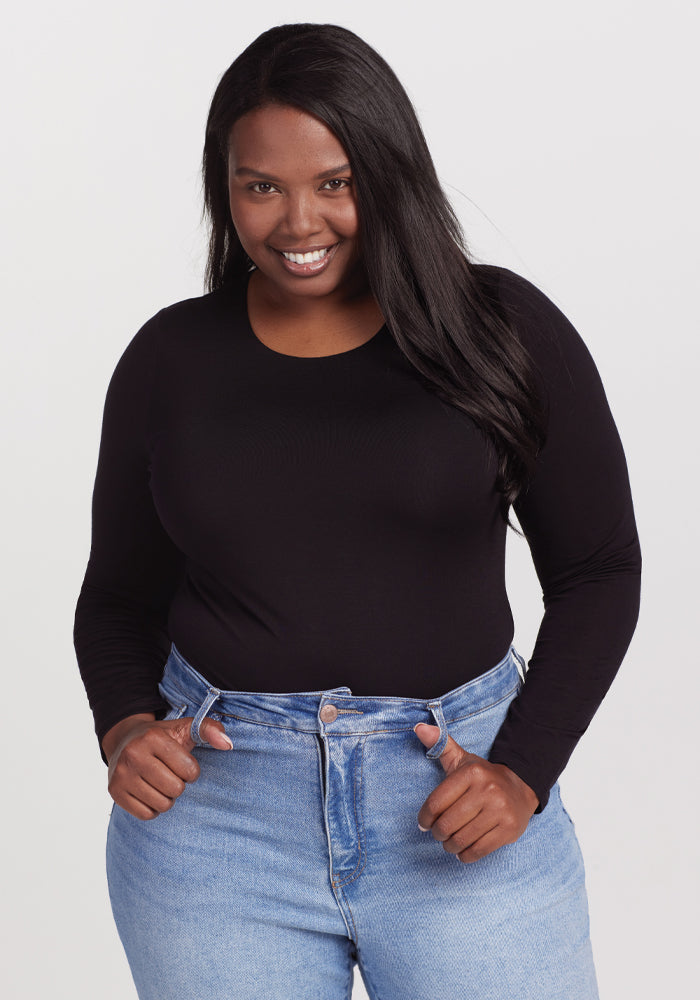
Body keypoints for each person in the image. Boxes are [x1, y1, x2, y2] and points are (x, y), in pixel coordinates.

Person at [73, 22, 641, 1000]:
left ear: (388, 173)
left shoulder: (501, 331)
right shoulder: (170, 361)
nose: (299, 221)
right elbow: (116, 596)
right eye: (262, 186)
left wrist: (522, 770)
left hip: (455, 794)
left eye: (335, 182)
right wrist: (125, 728)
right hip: (218, 830)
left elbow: (599, 572)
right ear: (226, 189)